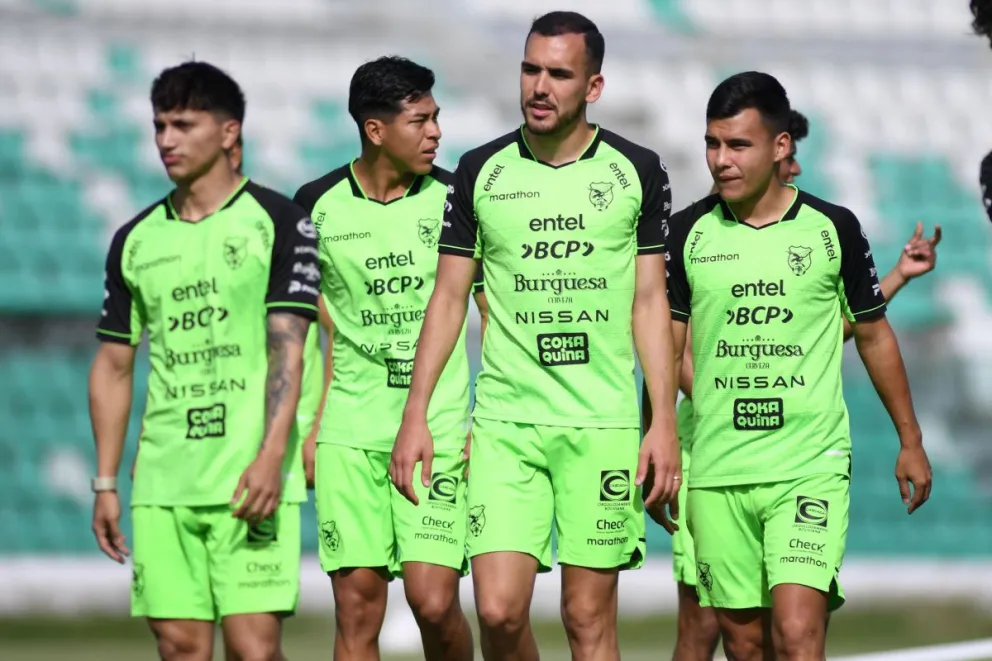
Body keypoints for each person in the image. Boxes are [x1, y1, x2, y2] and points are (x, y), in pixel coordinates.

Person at [391, 11, 681, 661]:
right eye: (530, 69)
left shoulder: (638, 170)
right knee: (496, 611)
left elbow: (649, 300)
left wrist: (662, 420)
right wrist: (417, 413)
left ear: (594, 87)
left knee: (586, 619)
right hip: (505, 424)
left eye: (558, 74)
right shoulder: (479, 170)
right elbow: (446, 297)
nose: (539, 87)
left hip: (600, 424)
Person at [658, 71, 932, 661]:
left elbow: (874, 334)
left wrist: (909, 438)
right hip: (718, 467)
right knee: (743, 644)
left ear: (781, 147)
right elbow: (665, 346)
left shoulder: (834, 227)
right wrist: (659, 434)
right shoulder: (684, 233)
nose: (721, 160)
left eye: (738, 145)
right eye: (713, 144)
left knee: (799, 635)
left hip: (808, 464)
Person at [89, 61, 319, 661]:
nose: (166, 140)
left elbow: (288, 347)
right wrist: (106, 481)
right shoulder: (134, 240)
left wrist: (273, 456)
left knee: (254, 649)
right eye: (160, 125)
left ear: (228, 132)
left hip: (250, 476)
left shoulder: (280, 222)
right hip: (164, 480)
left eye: (183, 124)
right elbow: (114, 366)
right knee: (179, 646)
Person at [292, 56, 474, 661]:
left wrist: (486, 418)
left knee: (433, 601)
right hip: (351, 430)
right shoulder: (313, 205)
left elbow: (493, 312)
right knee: (357, 613)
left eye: (436, 117)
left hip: (439, 428)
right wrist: (314, 424)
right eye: (420, 120)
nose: (435, 133)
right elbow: (311, 326)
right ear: (375, 130)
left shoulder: (456, 199)